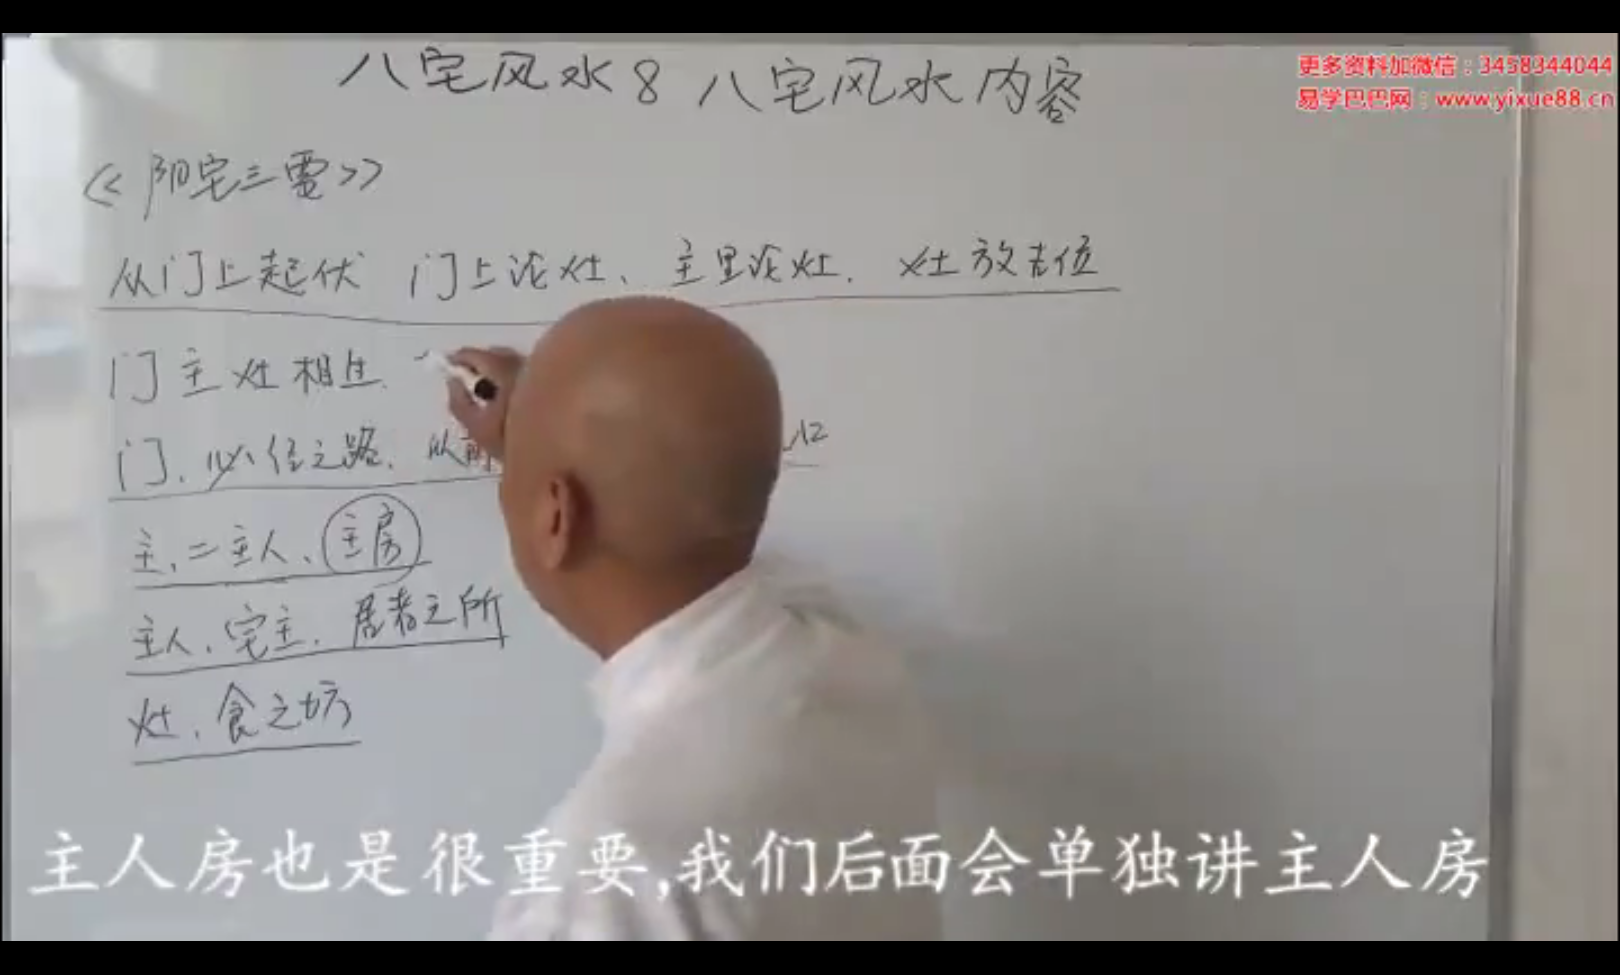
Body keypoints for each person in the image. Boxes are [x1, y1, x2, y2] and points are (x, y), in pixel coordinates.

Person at [446, 295, 945, 941]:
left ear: (555, 517)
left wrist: (544, 449)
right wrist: (539, 447)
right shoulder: (842, 659)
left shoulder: (604, 883)